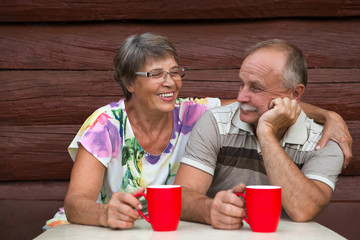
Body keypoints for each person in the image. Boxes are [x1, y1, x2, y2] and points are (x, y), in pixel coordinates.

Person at [45, 33, 351, 230]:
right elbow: (75, 202)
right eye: (155, 74)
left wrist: (328, 115)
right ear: (129, 83)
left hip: (169, 231)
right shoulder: (105, 124)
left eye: (175, 71)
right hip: (100, 229)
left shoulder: (194, 112)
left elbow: (260, 105)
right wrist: (103, 214)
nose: (170, 82)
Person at [174, 39, 347, 230]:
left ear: (295, 94)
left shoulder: (323, 141)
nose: (241, 97)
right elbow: (181, 196)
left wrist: (266, 133)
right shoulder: (216, 122)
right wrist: (209, 209)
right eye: (241, 84)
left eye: (255, 87)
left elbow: (303, 209)